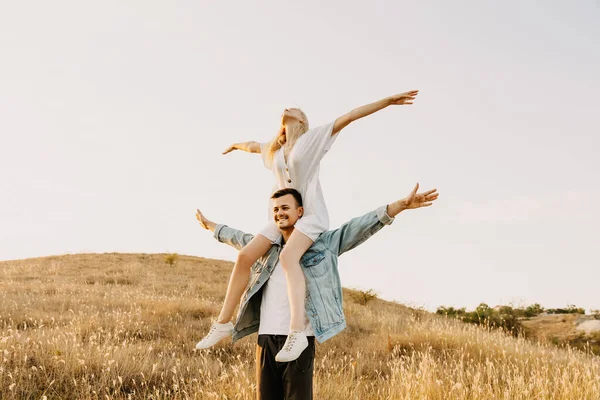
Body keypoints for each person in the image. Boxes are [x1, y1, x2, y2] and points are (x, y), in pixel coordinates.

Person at [195, 91, 420, 362]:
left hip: (309, 216)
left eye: (296, 108)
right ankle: (223, 323)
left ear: (302, 120)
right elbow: (253, 145)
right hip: (280, 217)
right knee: (244, 256)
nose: (288, 106)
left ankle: (296, 332)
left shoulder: (311, 140)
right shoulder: (273, 150)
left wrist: (387, 102)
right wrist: (235, 145)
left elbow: (348, 117)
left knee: (289, 256)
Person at [195, 183, 439, 399]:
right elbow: (236, 237)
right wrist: (211, 226)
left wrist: (398, 206)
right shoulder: (267, 249)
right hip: (266, 337)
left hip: (299, 340)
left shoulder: (323, 245)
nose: (280, 212)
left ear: (300, 212)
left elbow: (356, 228)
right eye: (276, 209)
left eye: (285, 207)